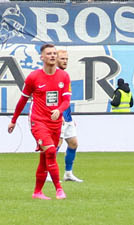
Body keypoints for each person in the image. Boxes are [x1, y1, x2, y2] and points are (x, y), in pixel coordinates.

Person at [7, 42, 71, 200]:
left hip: (55, 122)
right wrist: (14, 120)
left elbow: (66, 101)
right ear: (42, 57)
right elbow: (22, 100)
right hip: (38, 120)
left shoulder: (64, 76)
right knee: (50, 151)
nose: (52, 56)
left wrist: (59, 110)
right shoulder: (33, 77)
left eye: (54, 53)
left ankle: (37, 192)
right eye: (49, 54)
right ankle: (59, 189)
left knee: (45, 157)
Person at [54, 47, 85, 182]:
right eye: (62, 59)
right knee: (56, 144)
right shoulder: (53, 76)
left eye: (66, 59)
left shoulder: (64, 76)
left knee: (73, 143)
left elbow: (65, 99)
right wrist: (59, 115)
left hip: (67, 116)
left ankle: (68, 173)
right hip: (58, 116)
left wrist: (69, 116)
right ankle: (49, 173)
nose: (65, 61)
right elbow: (54, 98)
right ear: (55, 59)